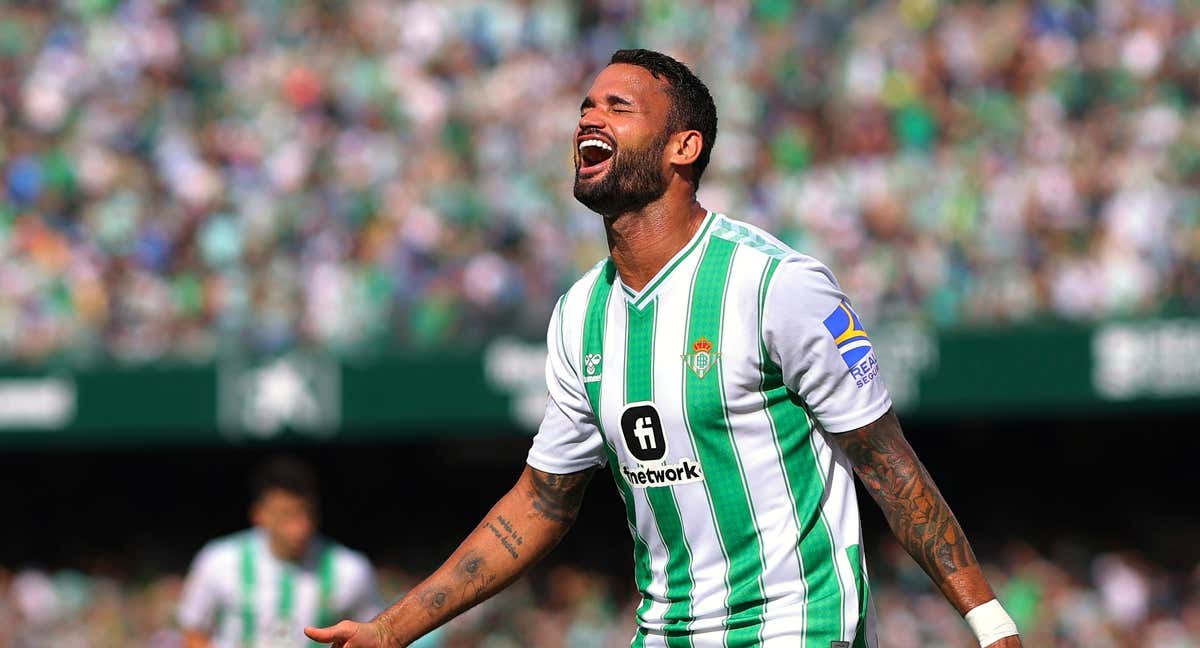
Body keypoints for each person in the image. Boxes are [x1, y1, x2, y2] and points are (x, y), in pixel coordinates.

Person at [306, 49, 1021, 648]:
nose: (590, 116)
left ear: (686, 147)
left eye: (619, 107)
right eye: (587, 105)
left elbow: (887, 463)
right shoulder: (581, 315)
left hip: (796, 629)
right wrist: (392, 629)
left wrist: (990, 623)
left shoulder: (775, 284)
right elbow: (539, 504)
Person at [179, 455, 381, 647]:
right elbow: (193, 632)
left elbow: (373, 635)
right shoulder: (218, 560)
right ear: (259, 515)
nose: (300, 528)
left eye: (307, 513)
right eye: (286, 516)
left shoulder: (350, 568)